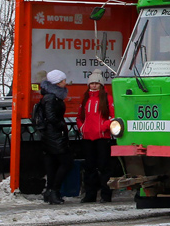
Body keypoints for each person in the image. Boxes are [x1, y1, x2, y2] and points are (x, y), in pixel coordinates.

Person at [76, 70, 115, 203]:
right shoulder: (85, 98)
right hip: (88, 137)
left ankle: (106, 194)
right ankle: (90, 195)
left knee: (104, 167)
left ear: (101, 85)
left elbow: (113, 116)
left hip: (102, 137)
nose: (93, 86)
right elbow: (79, 116)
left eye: (96, 83)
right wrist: (82, 128)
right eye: (91, 83)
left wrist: (104, 127)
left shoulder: (107, 98)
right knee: (89, 167)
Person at [38, 69, 72, 205]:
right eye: (63, 80)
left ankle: (50, 191)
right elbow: (51, 117)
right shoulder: (51, 98)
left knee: (52, 164)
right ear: (57, 83)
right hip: (54, 136)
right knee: (66, 162)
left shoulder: (50, 96)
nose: (65, 82)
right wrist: (61, 126)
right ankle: (54, 191)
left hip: (50, 135)